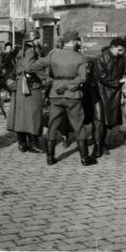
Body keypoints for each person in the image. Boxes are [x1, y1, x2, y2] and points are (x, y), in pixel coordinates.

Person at [31, 30, 97, 166]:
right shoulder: (80, 58)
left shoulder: (54, 55)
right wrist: (69, 86)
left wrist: (49, 79)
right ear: (73, 42)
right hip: (72, 96)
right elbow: (82, 78)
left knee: (53, 125)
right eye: (77, 40)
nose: (78, 42)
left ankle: (50, 158)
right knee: (79, 126)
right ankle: (84, 158)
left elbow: (34, 66)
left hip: (55, 94)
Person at [6, 30, 45, 153]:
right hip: (30, 86)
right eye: (37, 39)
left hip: (20, 85)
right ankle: (33, 143)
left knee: (20, 115)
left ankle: (22, 143)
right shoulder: (31, 50)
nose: (39, 41)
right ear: (32, 40)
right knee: (34, 114)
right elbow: (29, 67)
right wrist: (45, 76)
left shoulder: (20, 50)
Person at [90, 37, 126, 158]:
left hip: (113, 94)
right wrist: (119, 82)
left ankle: (103, 144)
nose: (121, 52)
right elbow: (102, 76)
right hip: (100, 93)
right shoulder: (100, 58)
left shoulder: (122, 58)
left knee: (108, 122)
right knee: (99, 121)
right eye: (119, 50)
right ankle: (97, 147)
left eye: (122, 50)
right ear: (112, 48)